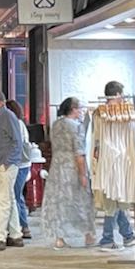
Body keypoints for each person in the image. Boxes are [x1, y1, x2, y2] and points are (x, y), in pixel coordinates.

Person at [44, 97, 96, 249]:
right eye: (80, 108)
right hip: (72, 168)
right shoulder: (76, 127)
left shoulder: (56, 125)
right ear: (73, 109)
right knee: (82, 201)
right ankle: (88, 235)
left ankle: (59, 238)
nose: (81, 111)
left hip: (57, 166)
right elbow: (79, 152)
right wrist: (83, 174)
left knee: (59, 202)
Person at [96, 80, 135, 251]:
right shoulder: (101, 114)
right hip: (112, 162)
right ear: (118, 94)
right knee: (113, 202)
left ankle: (126, 236)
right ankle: (110, 238)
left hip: (115, 161)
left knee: (116, 201)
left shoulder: (118, 113)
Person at [0, 90, 25, 252]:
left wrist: (8, 162)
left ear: (1, 103)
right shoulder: (0, 117)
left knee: (2, 201)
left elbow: (17, 140)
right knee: (9, 199)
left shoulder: (7, 116)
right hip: (2, 163)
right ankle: (16, 235)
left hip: (5, 164)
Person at [5, 99, 32, 239]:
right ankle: (17, 225)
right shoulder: (16, 124)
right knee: (14, 195)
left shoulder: (17, 124)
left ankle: (23, 225)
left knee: (15, 195)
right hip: (19, 163)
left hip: (20, 164)